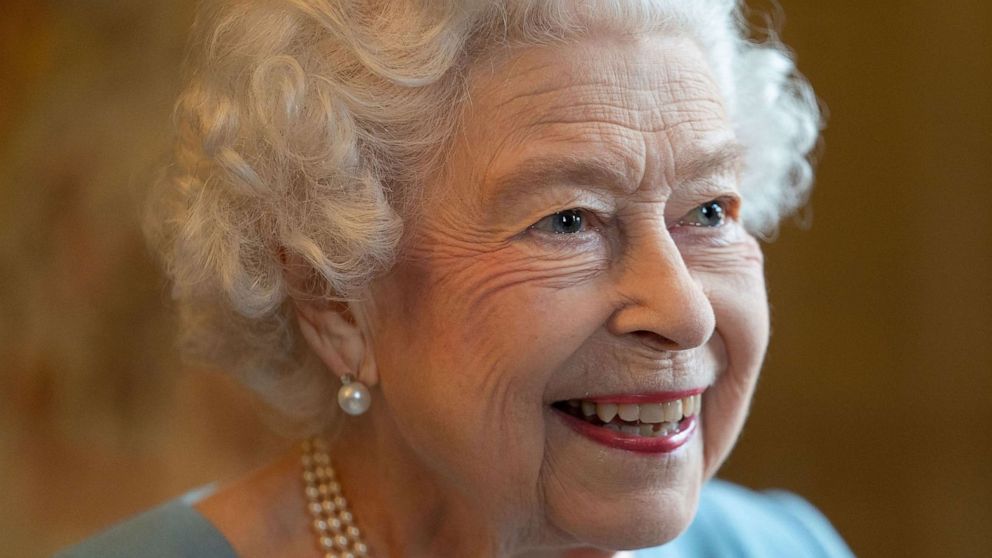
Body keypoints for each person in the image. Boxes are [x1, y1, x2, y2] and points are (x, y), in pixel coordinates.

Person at [58, 0, 851, 556]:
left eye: (710, 211)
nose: (684, 311)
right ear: (335, 302)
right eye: (569, 220)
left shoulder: (785, 549)